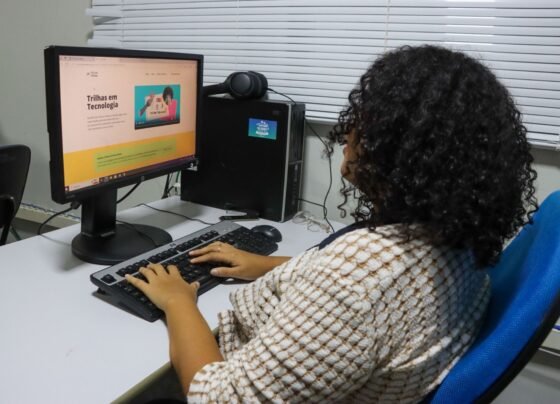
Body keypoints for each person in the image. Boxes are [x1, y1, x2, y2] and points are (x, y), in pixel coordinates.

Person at [125, 45, 537, 402]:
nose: (348, 131)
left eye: (366, 118)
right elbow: (372, 290)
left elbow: (219, 398)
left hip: (231, 370)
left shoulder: (357, 282)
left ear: (400, 146)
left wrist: (178, 302)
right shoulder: (458, 238)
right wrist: (268, 265)